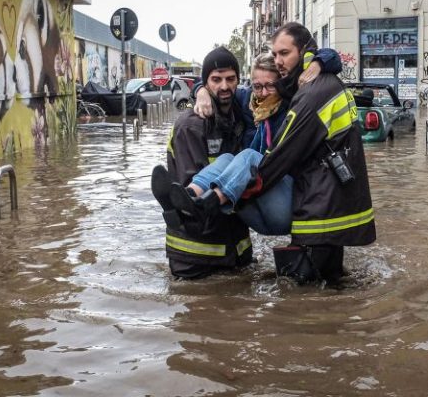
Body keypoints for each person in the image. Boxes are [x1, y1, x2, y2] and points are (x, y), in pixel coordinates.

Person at [247, 22, 376, 282]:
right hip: (328, 203)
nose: (278, 61)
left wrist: (250, 186)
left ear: (304, 52)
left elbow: (284, 152)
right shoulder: (316, 82)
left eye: (284, 53)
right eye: (274, 55)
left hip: (320, 209)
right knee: (329, 286)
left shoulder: (312, 92)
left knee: (310, 293)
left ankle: (210, 198)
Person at [151, 46, 251, 279]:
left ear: (238, 79)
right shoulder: (191, 124)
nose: (224, 86)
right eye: (216, 80)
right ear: (205, 82)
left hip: (235, 250)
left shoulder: (240, 115)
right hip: (195, 256)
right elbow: (185, 189)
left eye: (230, 79)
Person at [169, 54, 294, 235]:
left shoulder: (293, 106)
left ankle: (209, 204)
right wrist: (201, 92)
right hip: (259, 209)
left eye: (270, 86)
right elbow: (214, 85)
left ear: (281, 83)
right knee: (227, 158)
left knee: (249, 156)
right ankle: (188, 198)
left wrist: (319, 63)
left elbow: (326, 60)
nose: (263, 93)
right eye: (258, 86)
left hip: (282, 207)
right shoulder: (247, 101)